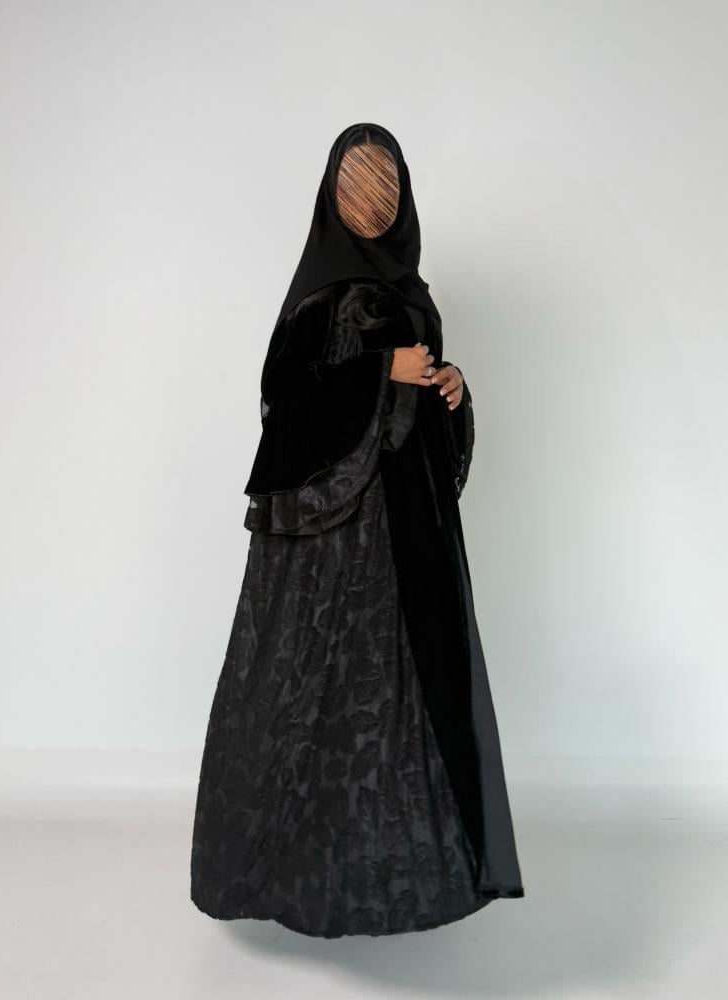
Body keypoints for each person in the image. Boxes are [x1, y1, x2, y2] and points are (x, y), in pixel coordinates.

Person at [190, 122, 525, 938]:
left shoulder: (411, 295)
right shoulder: (319, 294)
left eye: (385, 185)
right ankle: (287, 874)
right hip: (335, 536)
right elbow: (285, 404)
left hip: (408, 528)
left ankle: (398, 872)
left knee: (402, 688)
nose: (371, 200)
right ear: (330, 195)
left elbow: (417, 400)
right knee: (317, 681)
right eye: (354, 183)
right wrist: (381, 371)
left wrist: (445, 386)